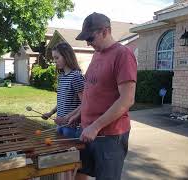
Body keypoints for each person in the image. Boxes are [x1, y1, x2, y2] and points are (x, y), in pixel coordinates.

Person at [68, 12, 137, 180]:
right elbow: (92, 91)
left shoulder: (123, 55)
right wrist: (78, 114)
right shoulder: (97, 54)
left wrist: (96, 126)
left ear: (105, 31)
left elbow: (127, 99)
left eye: (90, 38)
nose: (87, 43)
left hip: (109, 136)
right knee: (78, 174)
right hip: (87, 131)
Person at [42, 42, 84, 138]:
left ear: (66, 56)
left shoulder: (76, 77)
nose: (55, 61)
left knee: (69, 153)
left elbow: (85, 103)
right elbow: (62, 101)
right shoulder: (61, 77)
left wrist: (66, 117)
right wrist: (51, 112)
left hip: (71, 127)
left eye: (57, 58)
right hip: (60, 125)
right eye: (54, 58)